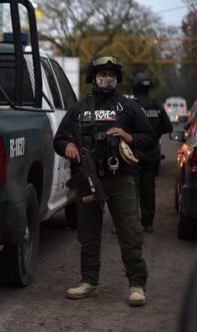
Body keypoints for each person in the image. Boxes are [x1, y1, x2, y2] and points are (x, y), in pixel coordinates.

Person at [53, 55, 156, 307]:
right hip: (87, 179)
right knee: (88, 234)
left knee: (129, 232)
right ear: (94, 78)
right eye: (102, 75)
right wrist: (67, 146)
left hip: (121, 179)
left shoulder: (128, 107)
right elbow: (59, 139)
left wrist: (128, 137)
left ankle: (136, 284)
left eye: (111, 75)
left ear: (117, 79)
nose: (107, 79)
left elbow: (150, 138)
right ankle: (89, 282)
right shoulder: (80, 108)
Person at [132, 72, 173, 233]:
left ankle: (130, 223)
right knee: (148, 189)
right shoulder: (156, 106)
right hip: (151, 155)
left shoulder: (132, 106)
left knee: (130, 189)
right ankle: (148, 223)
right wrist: (154, 134)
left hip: (133, 154)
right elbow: (168, 127)